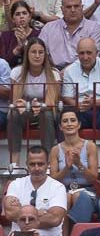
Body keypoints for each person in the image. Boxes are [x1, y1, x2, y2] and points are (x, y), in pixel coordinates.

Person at [8, 41, 61, 172]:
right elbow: (15, 101)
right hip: (25, 111)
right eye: (33, 52)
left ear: (45, 55)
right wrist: (24, 106)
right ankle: (14, 164)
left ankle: (47, 162)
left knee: (47, 114)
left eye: (41, 52)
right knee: (13, 114)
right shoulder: (17, 72)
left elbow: (51, 102)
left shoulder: (54, 74)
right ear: (27, 54)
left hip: (45, 110)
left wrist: (40, 106)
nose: (37, 56)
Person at [3, 144, 67, 236]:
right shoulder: (15, 184)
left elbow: (55, 219)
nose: (36, 168)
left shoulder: (58, 187)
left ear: (48, 164)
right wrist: (40, 213)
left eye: (40, 164)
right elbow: (9, 214)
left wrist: (21, 213)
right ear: (26, 165)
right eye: (32, 164)